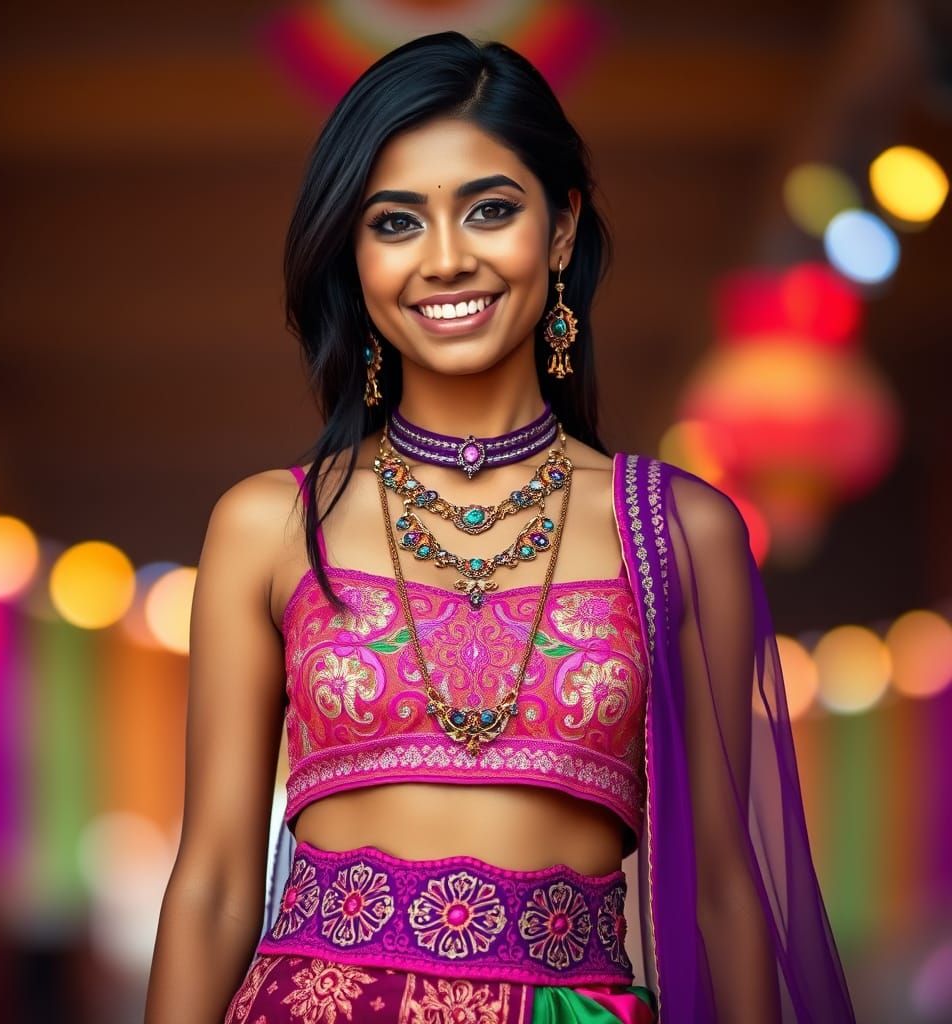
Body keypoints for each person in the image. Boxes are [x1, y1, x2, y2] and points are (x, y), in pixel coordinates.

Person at [144, 31, 857, 1024]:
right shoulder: (270, 524)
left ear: (560, 230)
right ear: (353, 254)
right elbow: (216, 882)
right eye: (396, 222)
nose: (446, 259)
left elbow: (725, 896)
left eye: (490, 210)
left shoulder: (677, 530)